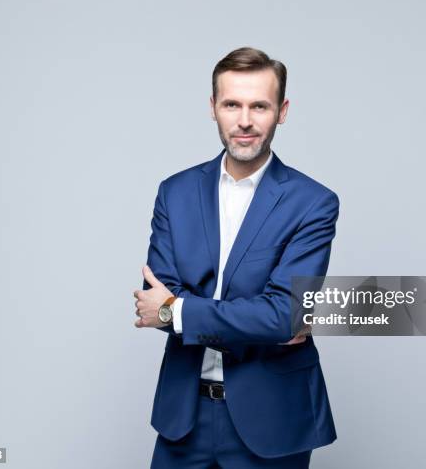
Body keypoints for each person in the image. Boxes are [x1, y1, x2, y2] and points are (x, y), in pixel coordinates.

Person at [133, 46, 339, 468]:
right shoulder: (175, 192)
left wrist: (181, 313)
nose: (244, 120)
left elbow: (284, 315)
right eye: (232, 104)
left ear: (281, 111)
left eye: (259, 106)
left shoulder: (314, 203)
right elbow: (155, 301)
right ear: (213, 108)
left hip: (272, 421)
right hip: (183, 418)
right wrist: (256, 322)